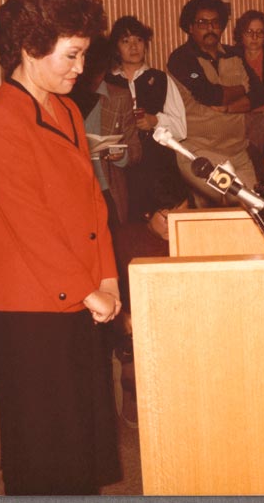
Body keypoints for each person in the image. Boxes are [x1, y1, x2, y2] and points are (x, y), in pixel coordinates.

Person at [0, 0, 121, 494]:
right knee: (44, 446)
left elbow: (91, 207)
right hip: (32, 308)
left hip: (81, 296)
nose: (81, 68)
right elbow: (28, 224)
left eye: (83, 55)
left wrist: (106, 279)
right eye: (72, 55)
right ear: (31, 48)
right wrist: (84, 289)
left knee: (79, 438)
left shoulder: (69, 112)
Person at [168, 0, 264, 206]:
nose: (210, 28)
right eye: (202, 22)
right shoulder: (181, 58)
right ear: (190, 27)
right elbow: (208, 94)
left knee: (255, 207)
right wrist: (241, 88)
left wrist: (229, 108)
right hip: (199, 154)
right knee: (231, 199)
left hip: (238, 152)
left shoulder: (235, 54)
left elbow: (259, 94)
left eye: (215, 22)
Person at [112, 172, 191, 427]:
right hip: (132, 325)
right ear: (148, 213)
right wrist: (123, 318)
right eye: (168, 217)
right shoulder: (124, 240)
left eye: (183, 216)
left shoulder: (191, 238)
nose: (176, 224)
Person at [105, 15, 186, 221]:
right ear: (116, 48)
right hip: (119, 165)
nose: (133, 47)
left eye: (139, 40)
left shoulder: (161, 79)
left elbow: (182, 129)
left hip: (156, 164)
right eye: (126, 41)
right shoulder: (106, 81)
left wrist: (155, 121)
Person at [71, 35, 141, 233]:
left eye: (99, 70)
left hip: (107, 190)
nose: (93, 76)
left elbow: (135, 148)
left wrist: (122, 155)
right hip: (72, 191)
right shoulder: (61, 97)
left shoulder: (119, 97)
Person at [232, 9, 264, 184]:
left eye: (259, 32)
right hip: (241, 118)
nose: (254, 37)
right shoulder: (232, 58)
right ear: (241, 35)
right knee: (247, 165)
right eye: (249, 32)